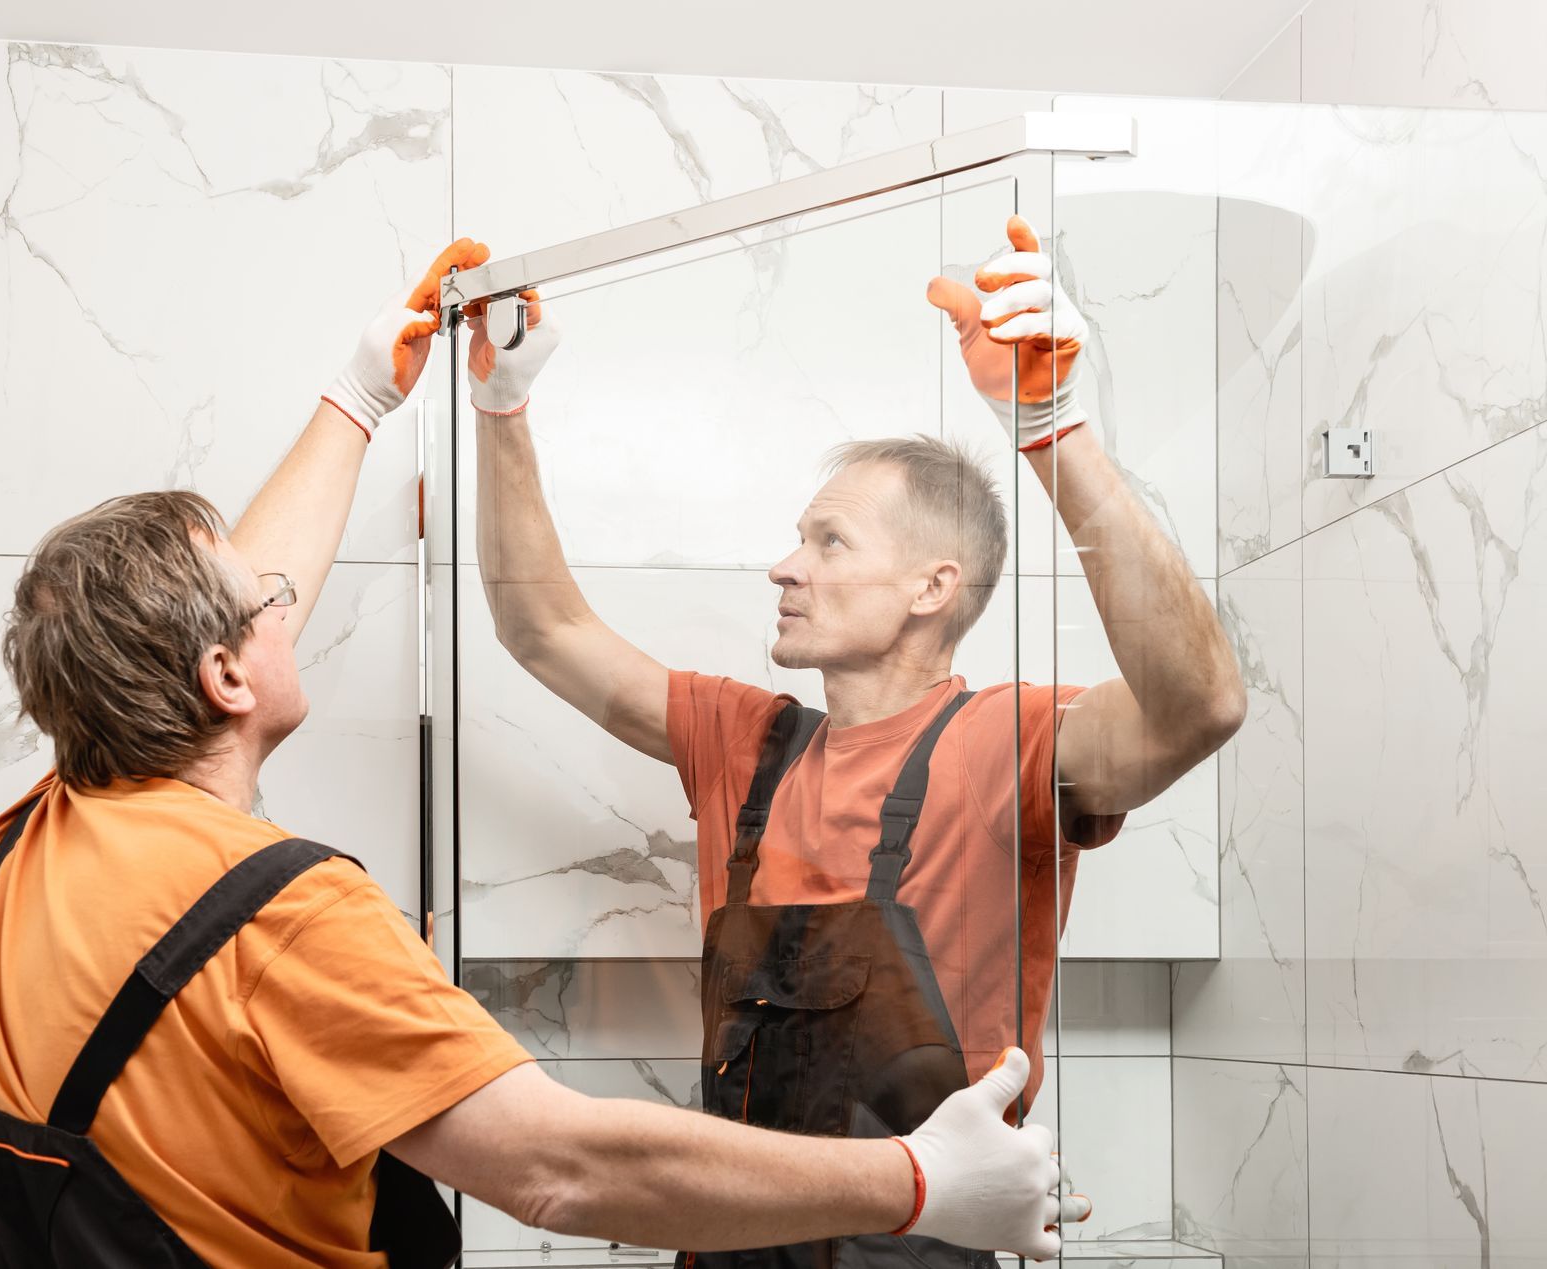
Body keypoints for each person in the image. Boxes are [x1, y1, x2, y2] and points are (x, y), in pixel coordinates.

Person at [0, 241, 1088, 1269]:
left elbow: (177, 639)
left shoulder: (26, 848)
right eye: (269, 604)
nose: (286, 599)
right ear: (226, 677)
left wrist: (358, 398)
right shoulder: (283, 914)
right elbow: (559, 1167)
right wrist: (921, 1180)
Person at [470, 217, 1245, 1268]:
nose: (785, 567)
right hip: (727, 1245)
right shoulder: (745, 742)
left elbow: (1202, 705)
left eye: (828, 541)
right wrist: (501, 408)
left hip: (922, 1247)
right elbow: (542, 628)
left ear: (933, 588)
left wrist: (1054, 428)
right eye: (799, 538)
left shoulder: (1010, 740)